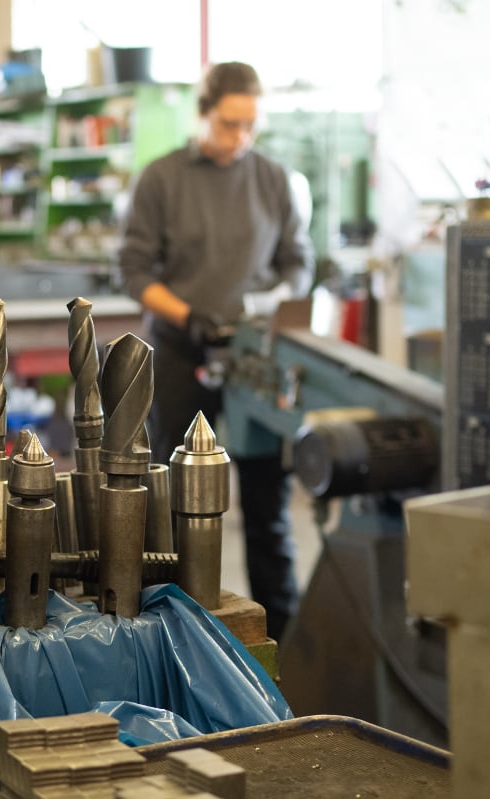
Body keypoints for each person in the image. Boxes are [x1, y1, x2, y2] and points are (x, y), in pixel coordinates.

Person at [116, 61, 315, 641]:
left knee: (266, 501)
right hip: (182, 350)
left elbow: (298, 264)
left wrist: (274, 299)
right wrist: (187, 314)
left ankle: (283, 636)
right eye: (230, 124)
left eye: (251, 125)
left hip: (254, 357)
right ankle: (179, 631)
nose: (241, 137)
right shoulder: (162, 179)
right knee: (178, 497)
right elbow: (133, 270)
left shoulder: (273, 180)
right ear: (202, 114)